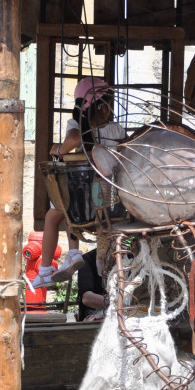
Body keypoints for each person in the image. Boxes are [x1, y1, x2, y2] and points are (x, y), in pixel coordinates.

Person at [32, 77, 126, 289]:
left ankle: (48, 268)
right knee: (68, 203)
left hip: (85, 199)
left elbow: (73, 140)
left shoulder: (76, 125)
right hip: (110, 196)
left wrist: (58, 150)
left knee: (55, 212)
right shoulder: (116, 130)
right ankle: (74, 254)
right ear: (102, 106)